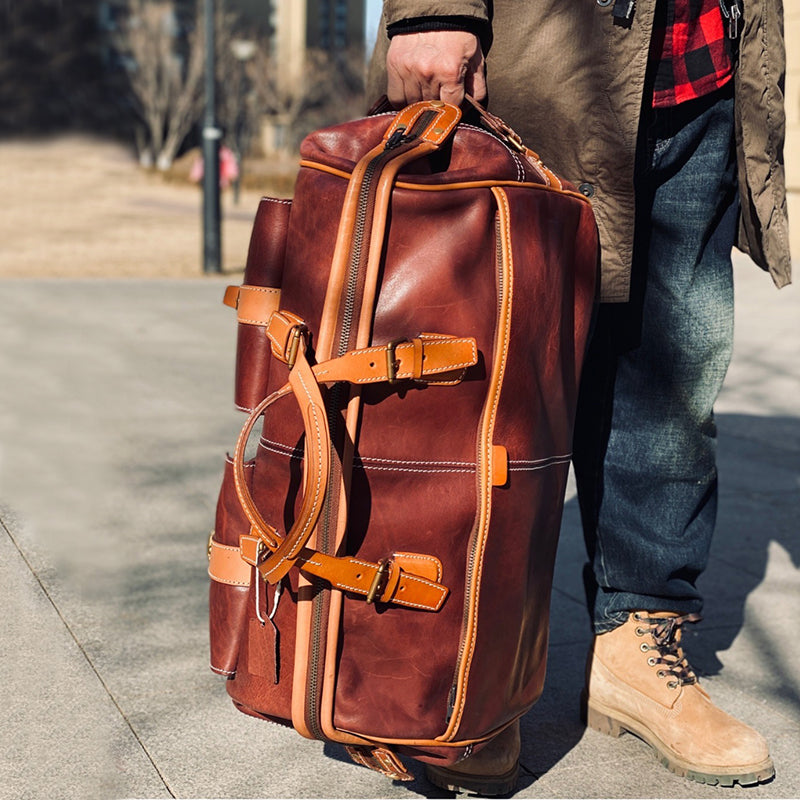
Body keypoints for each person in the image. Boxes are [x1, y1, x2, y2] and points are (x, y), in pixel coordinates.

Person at [367, 0, 791, 794]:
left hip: (697, 75)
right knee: (470, 381)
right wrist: (432, 9)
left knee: (674, 375)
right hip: (535, 59)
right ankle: (459, 665)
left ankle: (636, 646)